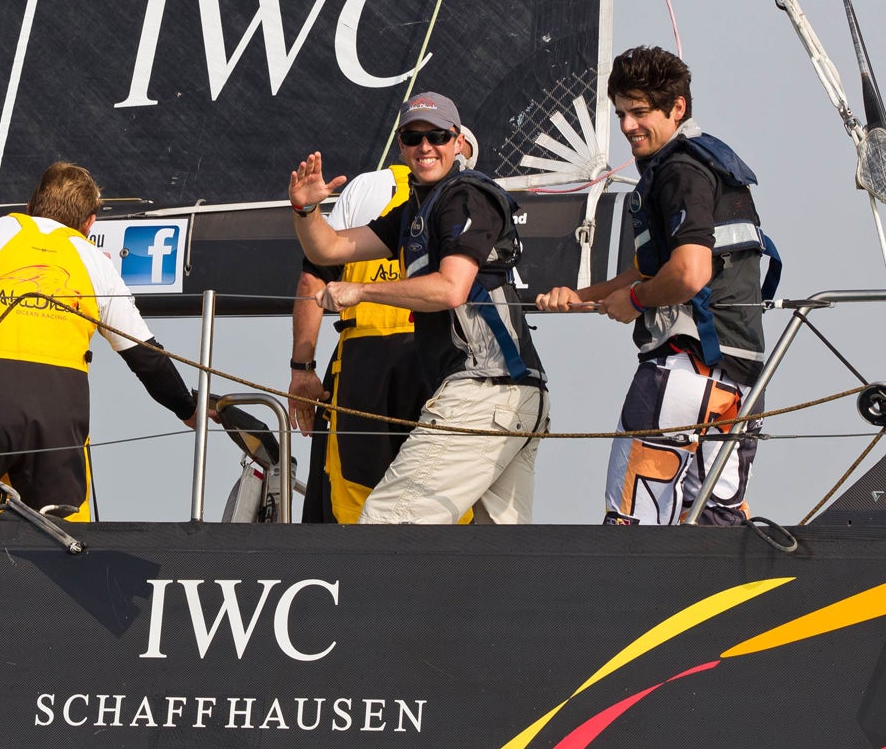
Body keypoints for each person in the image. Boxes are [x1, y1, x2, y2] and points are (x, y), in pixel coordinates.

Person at [536, 46, 778, 526]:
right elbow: (655, 270)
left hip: (685, 372)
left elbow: (688, 273)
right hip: (742, 382)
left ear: (678, 108)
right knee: (716, 525)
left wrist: (634, 301)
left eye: (640, 111)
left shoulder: (678, 171)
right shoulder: (711, 164)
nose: (627, 126)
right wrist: (580, 298)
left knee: (632, 528)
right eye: (622, 113)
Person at [0, 162, 198, 520]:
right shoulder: (97, 263)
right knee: (60, 548)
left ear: (30, 206)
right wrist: (188, 409)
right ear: (89, 223)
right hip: (59, 422)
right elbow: (146, 356)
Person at [289, 92, 548, 524]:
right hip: (510, 393)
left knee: (387, 521)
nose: (426, 146)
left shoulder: (466, 196)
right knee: (491, 560)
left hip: (485, 389)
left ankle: (376, 596)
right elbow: (329, 247)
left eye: (438, 136)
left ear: (459, 142)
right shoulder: (416, 207)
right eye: (414, 137)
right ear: (402, 146)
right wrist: (306, 209)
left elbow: (451, 289)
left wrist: (362, 292)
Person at [290, 130, 479, 524]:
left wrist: (301, 369)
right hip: (441, 362)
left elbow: (314, 279)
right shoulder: (471, 199)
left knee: (355, 497)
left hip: (366, 361)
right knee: (443, 499)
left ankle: (357, 583)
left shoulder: (367, 188)